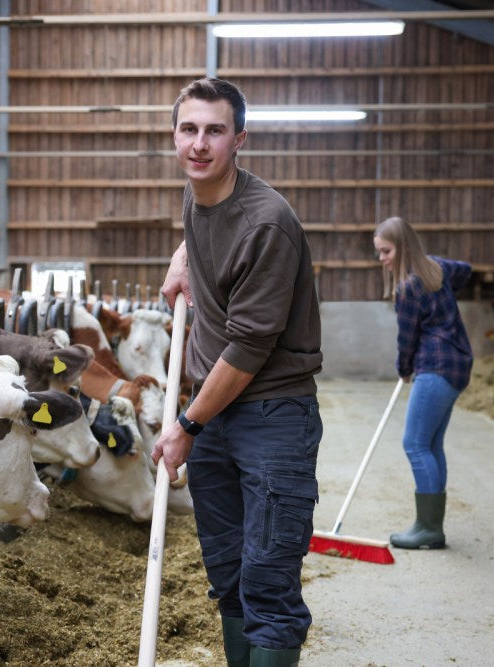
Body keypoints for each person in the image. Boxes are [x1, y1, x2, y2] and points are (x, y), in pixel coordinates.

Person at [154, 77, 322, 667]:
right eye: (188, 129)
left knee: (269, 582)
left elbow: (251, 346)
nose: (199, 145)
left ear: (239, 139)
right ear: (175, 136)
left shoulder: (268, 222)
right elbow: (204, 234)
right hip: (216, 415)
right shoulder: (196, 195)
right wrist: (183, 263)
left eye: (215, 131)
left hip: (272, 413)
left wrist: (186, 425)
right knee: (227, 574)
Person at [372, 216, 473, 550]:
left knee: (415, 444)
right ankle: (431, 526)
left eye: (386, 251)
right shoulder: (437, 269)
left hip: (435, 365)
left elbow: (408, 338)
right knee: (431, 444)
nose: (382, 259)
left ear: (402, 248)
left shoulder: (408, 287)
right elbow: (466, 269)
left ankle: (428, 527)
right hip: (458, 363)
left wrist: (403, 369)